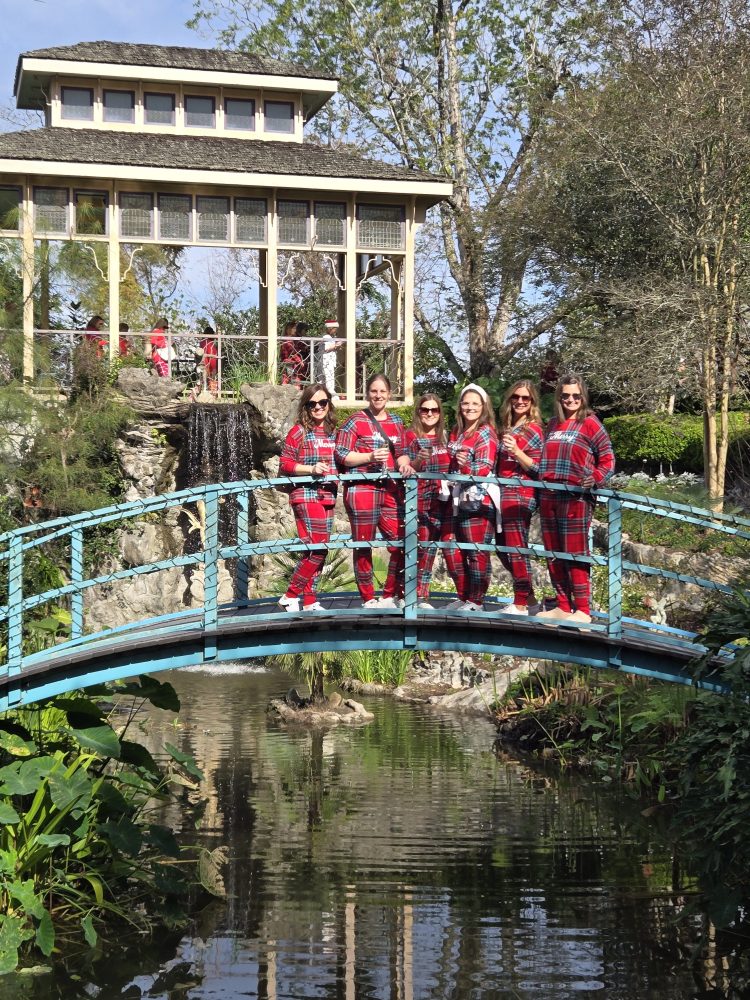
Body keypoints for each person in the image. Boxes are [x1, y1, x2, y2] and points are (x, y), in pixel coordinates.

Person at [532, 373, 615, 625]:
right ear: (559, 396)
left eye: (576, 395)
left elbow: (609, 459)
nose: (571, 399)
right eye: (566, 395)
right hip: (548, 495)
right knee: (554, 553)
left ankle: (583, 609)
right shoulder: (553, 424)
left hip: (575, 497)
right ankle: (563, 605)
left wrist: (596, 477)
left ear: (583, 397)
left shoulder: (590, 422)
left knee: (575, 553)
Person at [335, 373, 415, 608]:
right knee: (363, 544)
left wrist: (403, 463)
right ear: (367, 393)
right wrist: (369, 456)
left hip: (391, 489)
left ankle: (390, 594)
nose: (378, 396)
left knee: (401, 541)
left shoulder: (397, 422)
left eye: (382, 391)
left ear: (389, 394)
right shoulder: (354, 421)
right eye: (374, 391)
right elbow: (341, 454)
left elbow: (401, 451)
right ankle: (368, 598)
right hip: (362, 490)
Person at [278, 384, 339, 612]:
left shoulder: (334, 431)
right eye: (312, 403)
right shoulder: (299, 431)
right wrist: (311, 469)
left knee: (314, 551)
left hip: (328, 494)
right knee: (320, 548)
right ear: (306, 406)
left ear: (328, 404)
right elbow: (285, 464)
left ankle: (310, 600)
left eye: (322, 402)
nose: (318, 407)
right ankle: (291, 594)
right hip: (306, 494)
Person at [443, 384, 500, 612]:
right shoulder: (457, 430)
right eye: (466, 402)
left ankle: (476, 601)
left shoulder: (485, 432)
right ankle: (464, 595)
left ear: (484, 407)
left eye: (475, 403)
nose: (470, 407)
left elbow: (485, 466)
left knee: (476, 551)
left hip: (479, 498)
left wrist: (466, 467)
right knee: (452, 547)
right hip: (458, 497)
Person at [496, 380, 544, 615]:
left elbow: (539, 469)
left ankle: (520, 602)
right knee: (501, 547)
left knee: (515, 547)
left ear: (532, 402)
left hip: (520, 492)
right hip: (501, 492)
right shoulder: (507, 427)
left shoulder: (533, 430)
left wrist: (516, 452)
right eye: (516, 397)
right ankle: (531, 598)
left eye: (526, 398)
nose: (520, 402)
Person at [405, 393, 451, 608]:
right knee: (421, 547)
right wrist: (418, 461)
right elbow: (406, 468)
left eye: (434, 410)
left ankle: (425, 593)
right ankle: (416, 596)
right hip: (421, 499)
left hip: (445, 499)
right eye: (425, 410)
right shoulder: (411, 436)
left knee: (440, 548)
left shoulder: (446, 437)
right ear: (419, 412)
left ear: (440, 413)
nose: (430, 414)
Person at [315, 318, 341, 399]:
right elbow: (326, 348)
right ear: (331, 328)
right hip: (327, 361)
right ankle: (332, 396)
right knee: (329, 379)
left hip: (326, 361)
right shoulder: (326, 336)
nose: (336, 331)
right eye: (335, 329)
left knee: (323, 379)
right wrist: (336, 345)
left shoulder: (328, 336)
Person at [279, 320, 308, 386]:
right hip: (290, 363)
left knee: (290, 379)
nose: (295, 330)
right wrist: (299, 361)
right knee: (292, 380)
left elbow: (296, 349)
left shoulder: (291, 339)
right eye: (294, 328)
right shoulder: (287, 340)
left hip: (291, 363)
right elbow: (292, 352)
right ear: (289, 329)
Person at [197, 325, 219, 392]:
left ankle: (200, 392)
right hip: (210, 365)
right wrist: (214, 369)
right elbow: (212, 355)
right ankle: (213, 393)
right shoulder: (210, 343)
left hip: (201, 364)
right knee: (212, 379)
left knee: (202, 380)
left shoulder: (202, 342)